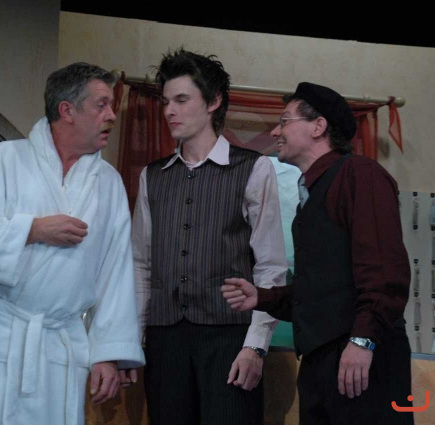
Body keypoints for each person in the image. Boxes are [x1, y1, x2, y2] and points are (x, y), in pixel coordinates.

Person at [0, 62, 145, 425]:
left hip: (58, 342)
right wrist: (31, 230)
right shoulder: (6, 159)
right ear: (67, 110)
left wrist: (108, 353)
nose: (111, 115)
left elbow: (116, 272)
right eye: (101, 105)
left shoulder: (108, 182)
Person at [222, 82, 413, 424]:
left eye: (284, 121)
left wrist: (363, 340)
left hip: (360, 362)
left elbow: (385, 273)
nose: (275, 131)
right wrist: (262, 297)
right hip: (322, 363)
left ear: (318, 126)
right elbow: (320, 292)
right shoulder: (311, 196)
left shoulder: (359, 174)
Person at [132, 48, 287, 425]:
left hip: (230, 339)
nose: (169, 111)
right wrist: (132, 341)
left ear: (213, 102)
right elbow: (140, 266)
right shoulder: (152, 176)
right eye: (166, 101)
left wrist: (256, 347)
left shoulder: (253, 168)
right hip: (164, 339)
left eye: (182, 100)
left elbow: (271, 266)